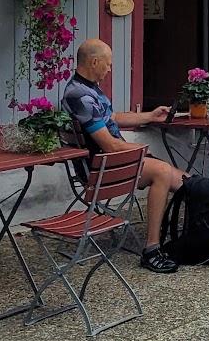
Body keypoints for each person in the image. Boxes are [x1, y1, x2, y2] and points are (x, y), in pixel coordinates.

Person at [63, 38, 185, 273]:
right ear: (94, 62)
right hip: (102, 170)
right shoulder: (80, 96)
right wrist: (145, 153)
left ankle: (199, 223)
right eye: (107, 65)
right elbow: (111, 146)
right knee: (162, 171)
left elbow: (113, 118)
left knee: (185, 180)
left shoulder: (86, 89)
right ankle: (151, 250)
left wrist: (150, 116)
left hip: (111, 163)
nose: (110, 70)